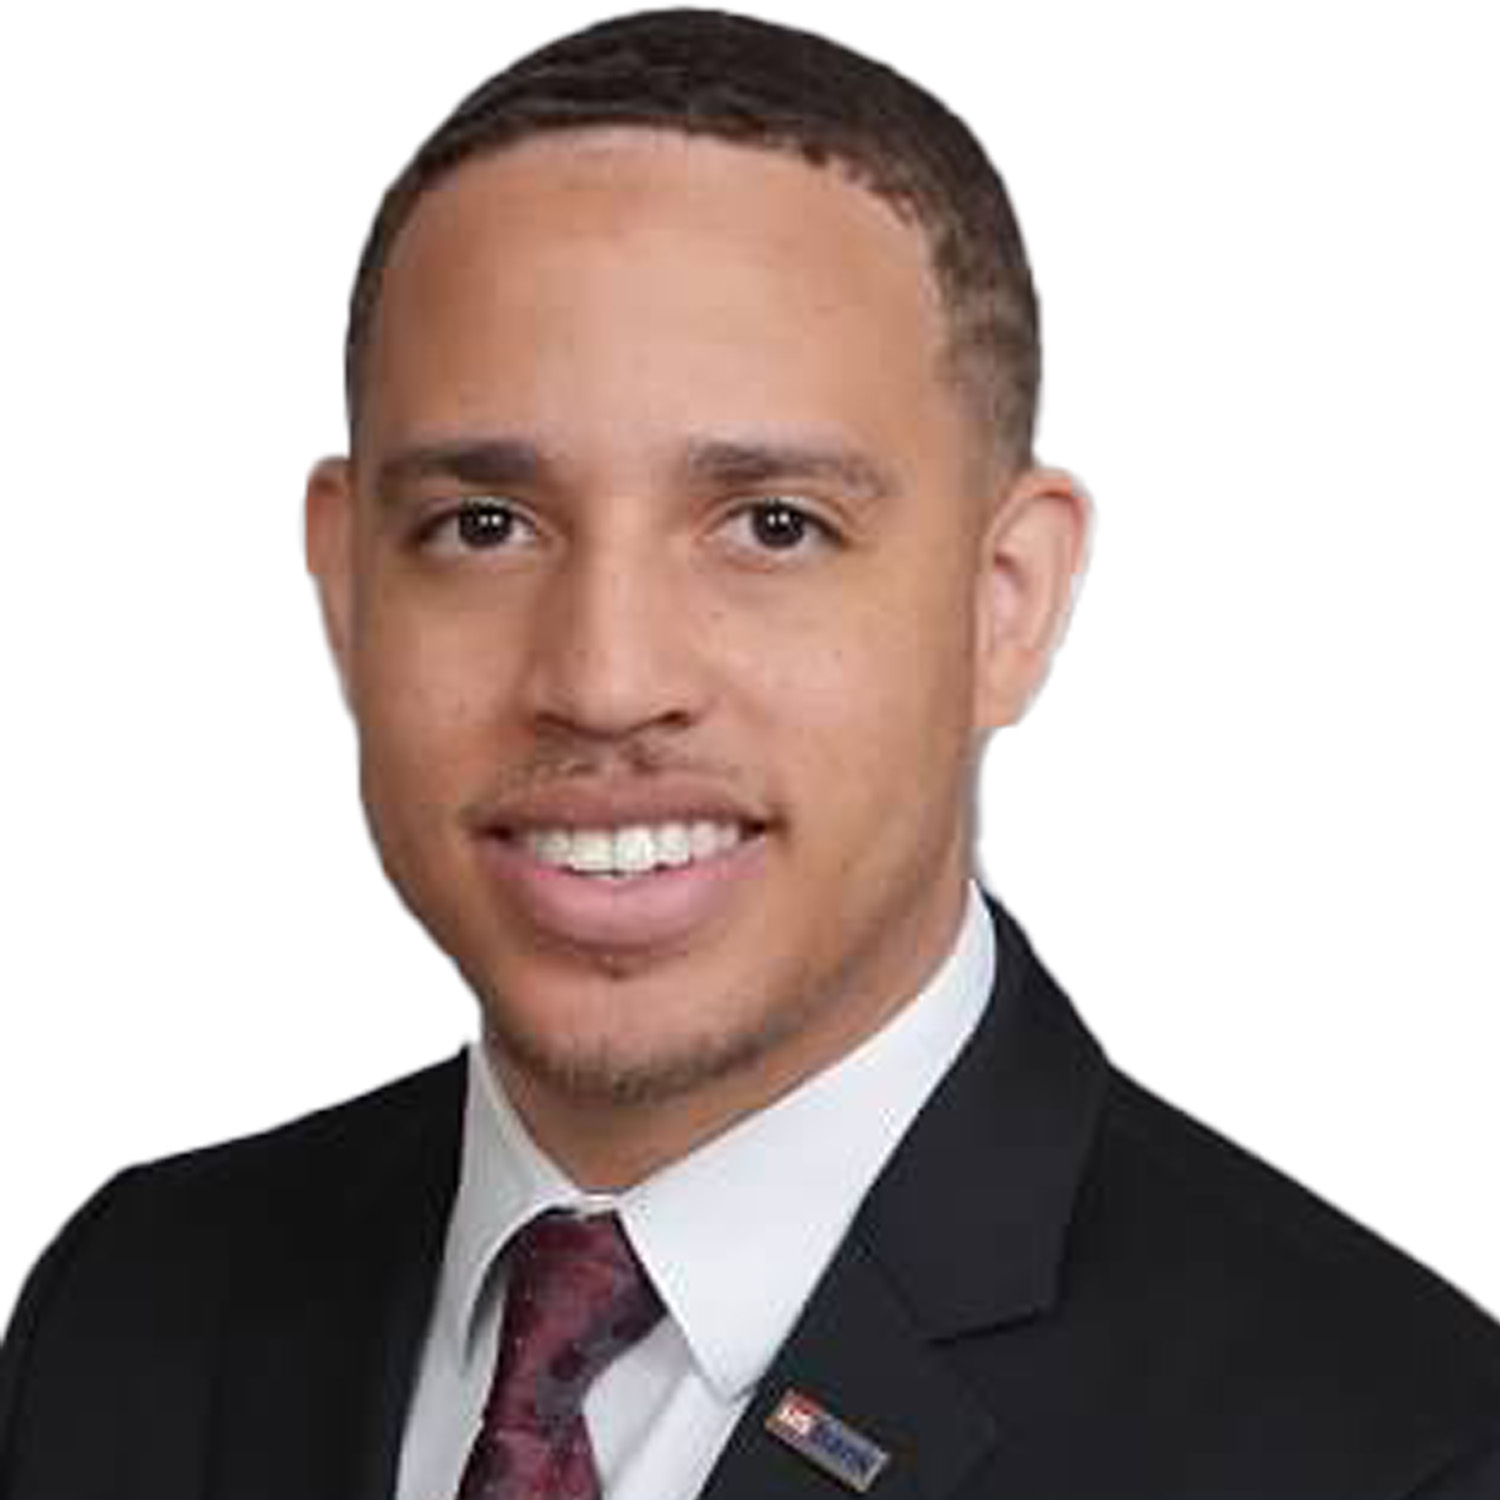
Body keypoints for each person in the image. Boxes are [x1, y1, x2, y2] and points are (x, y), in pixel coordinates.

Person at [2, 9, 1497, 1498]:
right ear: (345, 588)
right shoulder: (126, 1311)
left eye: (775, 526)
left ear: (1007, 604)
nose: (605, 680)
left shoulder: (1394, 1452)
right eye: (485, 525)